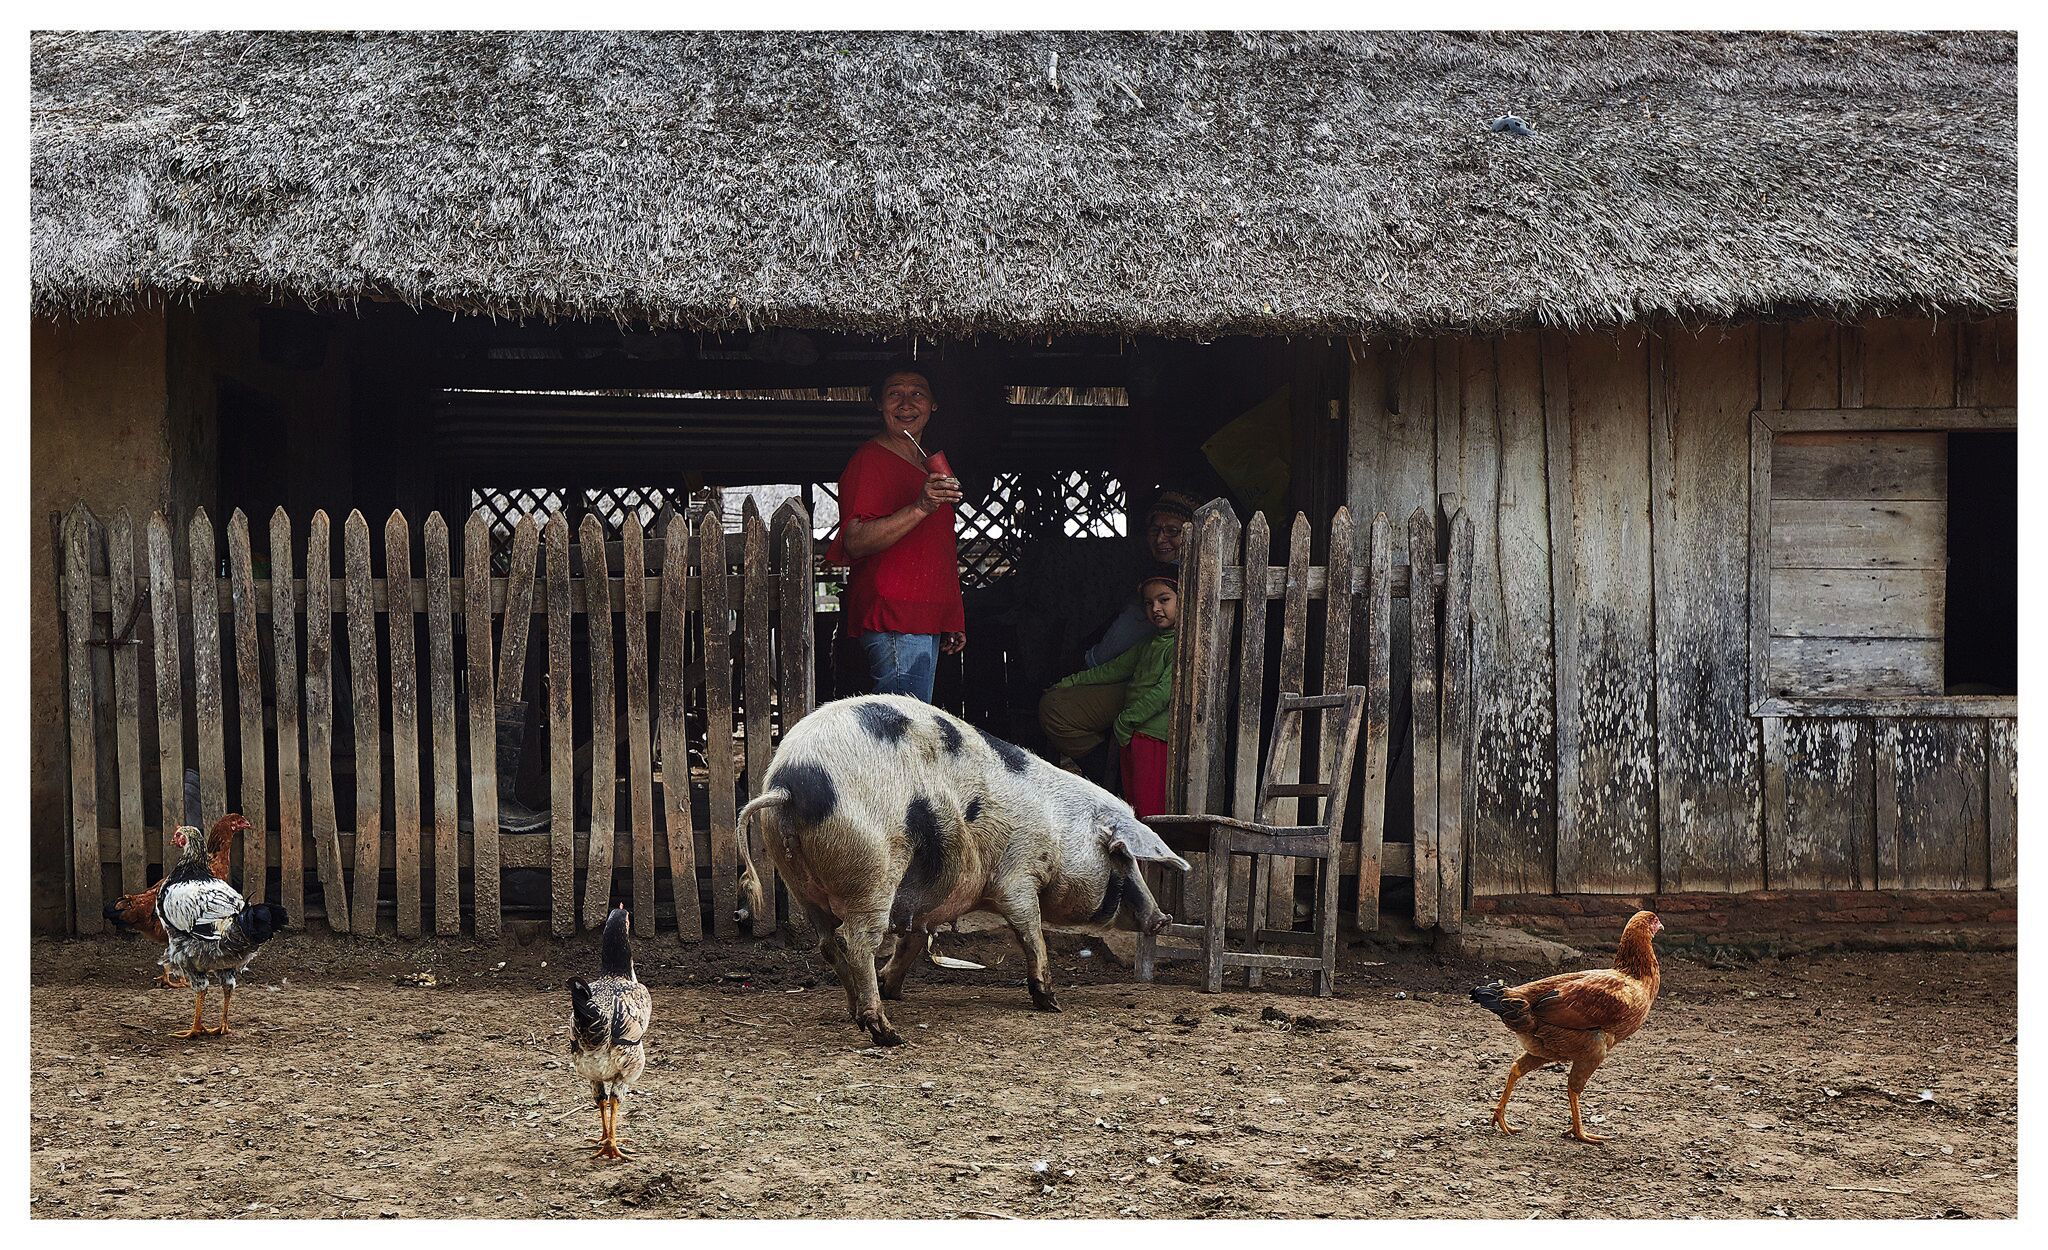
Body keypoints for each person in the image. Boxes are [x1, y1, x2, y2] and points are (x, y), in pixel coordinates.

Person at [824, 364, 966, 703]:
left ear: (933, 404)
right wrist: (919, 506)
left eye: (917, 394)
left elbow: (938, 547)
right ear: (878, 404)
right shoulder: (869, 460)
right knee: (903, 733)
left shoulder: (928, 465)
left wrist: (951, 613)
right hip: (895, 615)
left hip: (924, 615)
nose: (906, 404)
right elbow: (854, 541)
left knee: (909, 728)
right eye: (894, 394)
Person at [1038, 489, 1195, 777]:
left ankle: (1110, 777)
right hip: (1133, 673)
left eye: (1172, 531)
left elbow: (1120, 650)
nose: (1161, 538)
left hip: (1147, 684)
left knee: (1055, 711)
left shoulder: (1174, 581)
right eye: (1155, 530)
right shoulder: (1154, 578)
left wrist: (1086, 666)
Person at [1046, 565, 1180, 818]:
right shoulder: (1150, 643)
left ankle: (1151, 857)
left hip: (1153, 736)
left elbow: (1164, 692)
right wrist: (1071, 682)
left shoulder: (1178, 647)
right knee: (1134, 804)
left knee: (1151, 809)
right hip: (1135, 733)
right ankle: (1137, 856)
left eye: (1164, 600)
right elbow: (1113, 670)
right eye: (1149, 603)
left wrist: (1126, 720)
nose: (1156, 609)